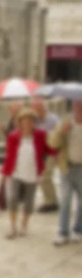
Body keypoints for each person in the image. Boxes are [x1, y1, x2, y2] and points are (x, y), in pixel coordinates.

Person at [1, 108, 54, 240]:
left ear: (34, 122)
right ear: (19, 122)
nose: (28, 123)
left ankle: (24, 225)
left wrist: (58, 151)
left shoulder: (40, 134)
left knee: (29, 201)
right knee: (12, 198)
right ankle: (13, 227)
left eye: (31, 120)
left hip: (32, 173)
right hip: (16, 172)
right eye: (24, 120)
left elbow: (48, 149)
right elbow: (9, 156)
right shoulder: (13, 136)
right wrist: (5, 173)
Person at [49, 101, 82, 246]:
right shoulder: (65, 123)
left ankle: (78, 230)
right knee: (65, 200)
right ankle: (63, 232)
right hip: (67, 167)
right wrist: (61, 131)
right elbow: (52, 143)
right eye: (77, 105)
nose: (78, 108)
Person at [32, 98, 60, 213]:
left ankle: (49, 202)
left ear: (44, 107)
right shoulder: (35, 121)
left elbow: (59, 133)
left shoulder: (53, 118)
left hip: (52, 151)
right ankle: (53, 201)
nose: (37, 110)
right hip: (41, 152)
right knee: (44, 178)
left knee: (45, 177)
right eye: (35, 108)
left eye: (39, 108)